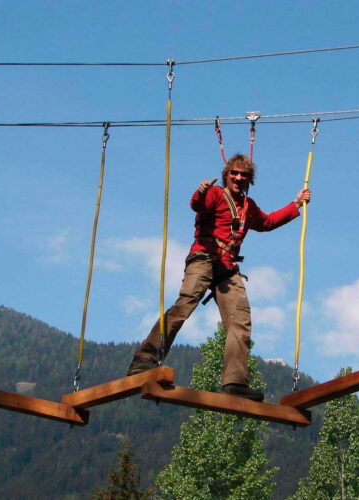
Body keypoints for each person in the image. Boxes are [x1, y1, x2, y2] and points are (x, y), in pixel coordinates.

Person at [126, 153, 311, 401]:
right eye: (234, 173)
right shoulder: (214, 194)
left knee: (240, 321)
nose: (238, 177)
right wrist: (201, 191)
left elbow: (266, 222)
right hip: (204, 257)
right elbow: (197, 205)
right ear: (226, 175)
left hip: (227, 267)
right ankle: (145, 359)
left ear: (249, 180)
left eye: (244, 175)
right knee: (185, 304)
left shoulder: (248, 206)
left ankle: (235, 382)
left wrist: (296, 204)